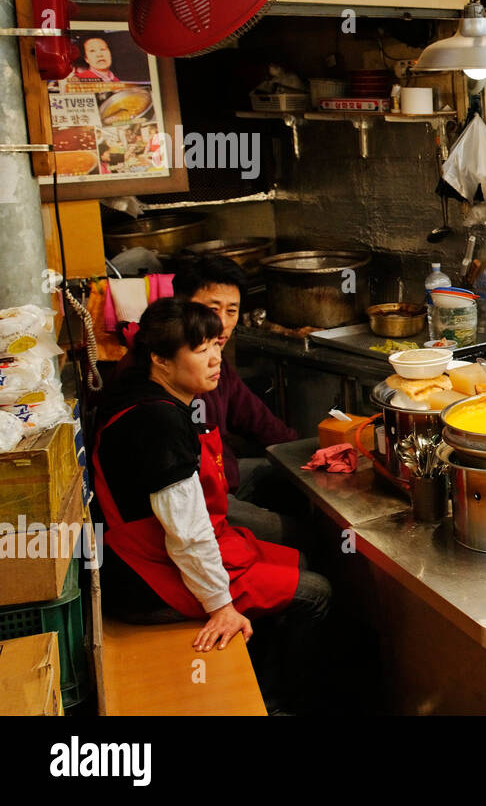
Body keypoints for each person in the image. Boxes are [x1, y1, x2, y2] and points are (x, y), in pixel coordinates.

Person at [92, 299, 330, 709]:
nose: (216, 358)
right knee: (316, 592)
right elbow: (185, 534)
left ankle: (266, 678)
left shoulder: (146, 393)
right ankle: (279, 703)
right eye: (201, 351)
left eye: (216, 345)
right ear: (161, 361)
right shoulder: (158, 422)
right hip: (148, 577)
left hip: (159, 552)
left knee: (299, 561)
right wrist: (220, 606)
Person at [113, 254, 300, 544]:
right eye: (212, 309)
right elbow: (182, 511)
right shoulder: (148, 381)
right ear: (183, 306)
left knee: (289, 475)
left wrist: (306, 454)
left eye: (232, 311)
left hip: (223, 476)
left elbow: (257, 420)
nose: (222, 324)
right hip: (197, 499)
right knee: (296, 536)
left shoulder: (215, 363)